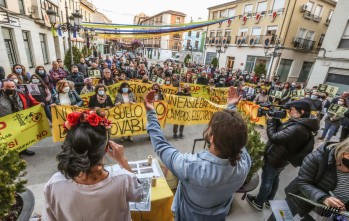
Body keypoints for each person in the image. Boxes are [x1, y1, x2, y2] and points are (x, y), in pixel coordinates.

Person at [143, 86, 251, 221]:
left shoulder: (190, 167)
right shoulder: (245, 162)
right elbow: (238, 137)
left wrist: (151, 113)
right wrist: (231, 107)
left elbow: (160, 145)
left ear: (212, 138)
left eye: (210, 126)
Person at [42, 110, 143, 221]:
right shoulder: (123, 179)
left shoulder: (54, 184)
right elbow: (140, 195)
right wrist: (123, 161)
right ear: (106, 148)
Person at [247, 99, 320, 210]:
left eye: (291, 110)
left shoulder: (297, 127)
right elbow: (284, 133)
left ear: (301, 112)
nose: (289, 112)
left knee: (267, 179)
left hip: (276, 158)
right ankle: (268, 200)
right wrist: (277, 122)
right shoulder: (301, 123)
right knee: (275, 179)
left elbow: (274, 137)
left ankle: (259, 202)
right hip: (283, 158)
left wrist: (270, 122)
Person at [285, 140, 349, 221]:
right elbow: (302, 182)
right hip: (297, 200)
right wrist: (324, 198)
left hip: (324, 214)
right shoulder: (319, 156)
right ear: (343, 153)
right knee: (278, 217)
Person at [0, 79, 42, 156]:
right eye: (8, 87)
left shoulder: (22, 93)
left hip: (20, 118)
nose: (11, 88)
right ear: (2, 87)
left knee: (22, 135)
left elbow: (32, 101)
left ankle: (23, 149)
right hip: (7, 122)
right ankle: (14, 153)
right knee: (11, 138)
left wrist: (40, 104)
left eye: (13, 86)